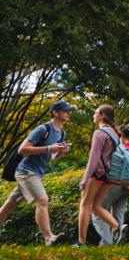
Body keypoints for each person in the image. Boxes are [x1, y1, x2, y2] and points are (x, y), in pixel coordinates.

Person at [0, 100, 73, 245]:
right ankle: (49, 238)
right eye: (65, 110)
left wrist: (62, 152)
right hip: (25, 171)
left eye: (69, 110)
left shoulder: (62, 133)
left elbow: (53, 158)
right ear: (55, 112)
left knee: (8, 206)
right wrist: (48, 148)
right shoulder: (43, 129)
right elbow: (22, 149)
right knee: (42, 200)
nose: (68, 113)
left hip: (37, 173)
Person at [78, 105, 126, 246]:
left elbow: (93, 159)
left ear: (102, 115)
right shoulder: (115, 134)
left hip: (96, 175)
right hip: (108, 176)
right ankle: (117, 227)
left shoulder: (99, 133)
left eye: (95, 112)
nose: (93, 115)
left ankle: (81, 243)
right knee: (96, 206)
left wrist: (85, 179)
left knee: (84, 206)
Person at [92, 125, 129, 245]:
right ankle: (117, 240)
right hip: (127, 186)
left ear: (122, 135)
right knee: (118, 213)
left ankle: (106, 242)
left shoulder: (121, 147)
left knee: (98, 210)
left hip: (115, 184)